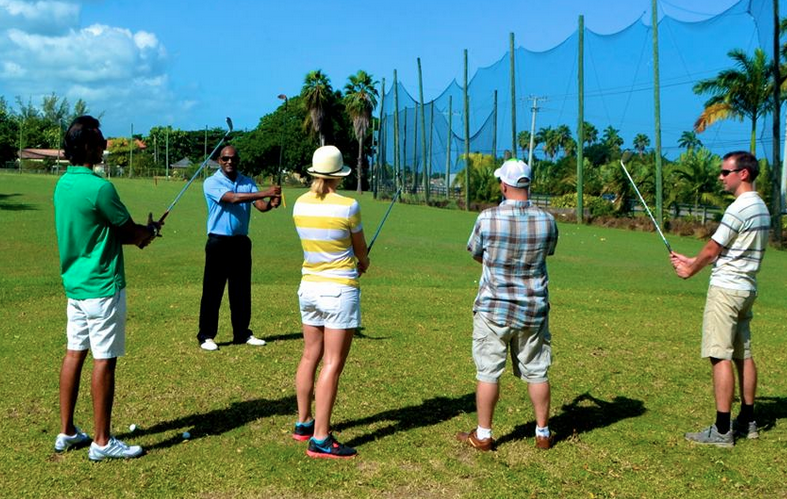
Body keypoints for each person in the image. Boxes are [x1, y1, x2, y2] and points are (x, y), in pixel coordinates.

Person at [54, 115, 161, 461]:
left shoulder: (62, 184)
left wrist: (140, 233)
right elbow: (128, 232)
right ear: (87, 146)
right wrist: (147, 233)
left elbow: (107, 230)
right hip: (102, 286)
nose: (104, 146)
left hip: (76, 287)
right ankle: (101, 441)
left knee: (74, 353)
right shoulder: (101, 188)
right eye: (100, 142)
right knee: (104, 359)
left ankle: (67, 431)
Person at [457, 158, 558, 451]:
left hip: (493, 308)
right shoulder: (547, 220)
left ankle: (484, 435)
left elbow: (477, 252)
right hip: (533, 308)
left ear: (504, 185)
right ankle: (543, 433)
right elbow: (547, 252)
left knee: (488, 372)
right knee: (537, 371)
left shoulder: (487, 218)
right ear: (528, 184)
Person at [671, 151, 770, 448]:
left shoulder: (739, 207)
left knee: (720, 355)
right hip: (746, 289)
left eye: (726, 172)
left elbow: (714, 249)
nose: (720, 177)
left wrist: (690, 269)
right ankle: (748, 421)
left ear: (743, 174)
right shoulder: (761, 206)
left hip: (727, 290)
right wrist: (693, 259)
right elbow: (730, 250)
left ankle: (723, 429)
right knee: (743, 354)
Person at [291, 145, 370, 459]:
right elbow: (360, 249)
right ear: (339, 175)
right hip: (338, 290)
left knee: (310, 355)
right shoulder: (348, 206)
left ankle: (303, 423)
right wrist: (363, 262)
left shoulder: (300, 203)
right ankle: (321, 438)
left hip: (309, 287)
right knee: (332, 363)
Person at [197, 145, 281, 351]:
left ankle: (242, 333)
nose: (229, 162)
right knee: (213, 290)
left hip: (241, 242)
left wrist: (272, 202)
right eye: (225, 158)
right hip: (218, 241)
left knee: (241, 290)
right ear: (219, 160)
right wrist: (266, 191)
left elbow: (260, 206)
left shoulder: (247, 181)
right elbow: (232, 198)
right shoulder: (211, 182)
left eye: (233, 159)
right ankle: (206, 335)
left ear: (238, 160)